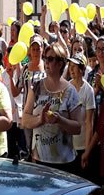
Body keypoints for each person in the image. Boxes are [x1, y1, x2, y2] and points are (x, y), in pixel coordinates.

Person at [21, 42, 82, 170]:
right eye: (45, 58)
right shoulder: (36, 87)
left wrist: (60, 120)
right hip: (39, 161)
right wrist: (40, 119)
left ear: (60, 64)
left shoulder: (70, 91)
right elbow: (25, 120)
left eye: (50, 59)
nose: (46, 62)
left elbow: (77, 128)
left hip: (64, 162)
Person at [68, 53, 95, 175]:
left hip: (81, 146)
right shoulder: (66, 88)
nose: (71, 69)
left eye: (74, 66)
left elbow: (89, 122)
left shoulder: (88, 90)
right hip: (68, 146)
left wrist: (87, 151)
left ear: (82, 69)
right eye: (70, 66)